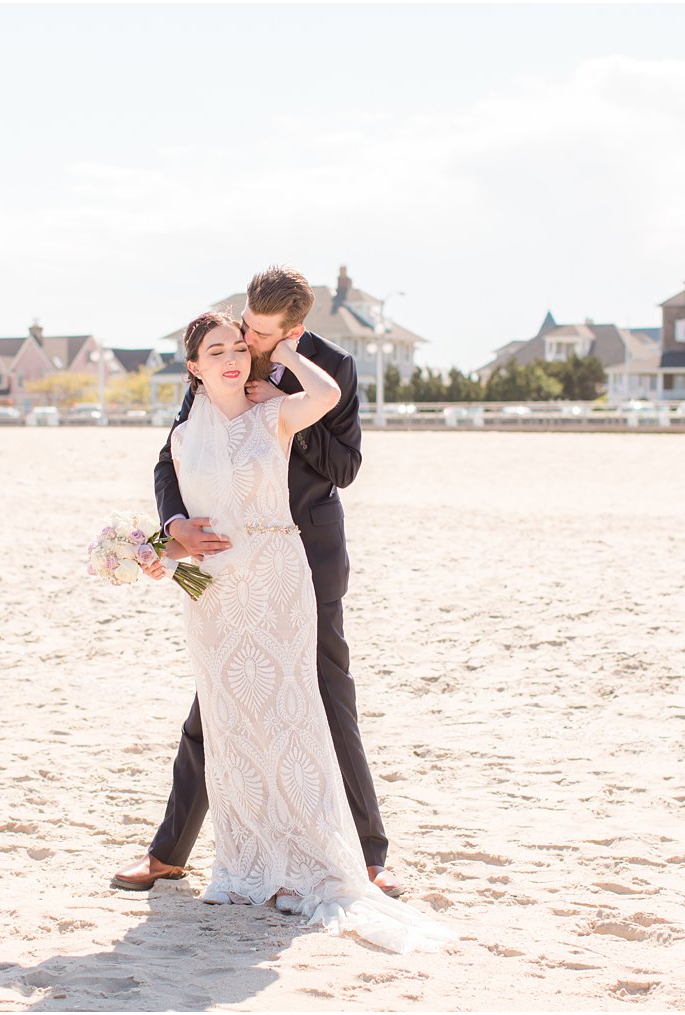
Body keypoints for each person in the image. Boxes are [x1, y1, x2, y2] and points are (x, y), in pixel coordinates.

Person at [127, 308, 448, 952]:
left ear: (293, 327)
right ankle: (186, 852)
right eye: (239, 328)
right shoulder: (199, 408)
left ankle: (363, 855)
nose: (242, 343)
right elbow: (170, 467)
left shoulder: (310, 376)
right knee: (221, 711)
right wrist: (171, 533)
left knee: (315, 699)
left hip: (296, 555)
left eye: (257, 332)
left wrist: (286, 383)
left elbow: (342, 463)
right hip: (218, 580)